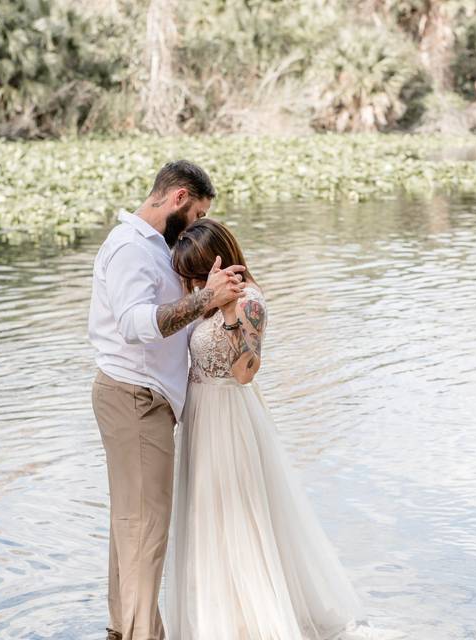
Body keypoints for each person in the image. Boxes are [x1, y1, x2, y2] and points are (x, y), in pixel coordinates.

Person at [165, 218, 374, 639]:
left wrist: (227, 317)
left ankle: (251, 619)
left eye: (194, 272)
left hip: (227, 414)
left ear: (217, 261)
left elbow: (247, 372)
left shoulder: (249, 303)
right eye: (188, 276)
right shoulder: (205, 298)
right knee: (206, 517)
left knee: (236, 515)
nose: (190, 282)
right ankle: (217, 614)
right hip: (201, 415)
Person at [87, 161, 246, 640]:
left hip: (142, 399)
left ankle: (124, 629)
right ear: (178, 198)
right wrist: (207, 300)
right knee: (145, 531)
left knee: (132, 526)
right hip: (135, 398)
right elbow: (136, 326)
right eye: (196, 213)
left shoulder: (155, 249)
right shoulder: (130, 249)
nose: (197, 225)